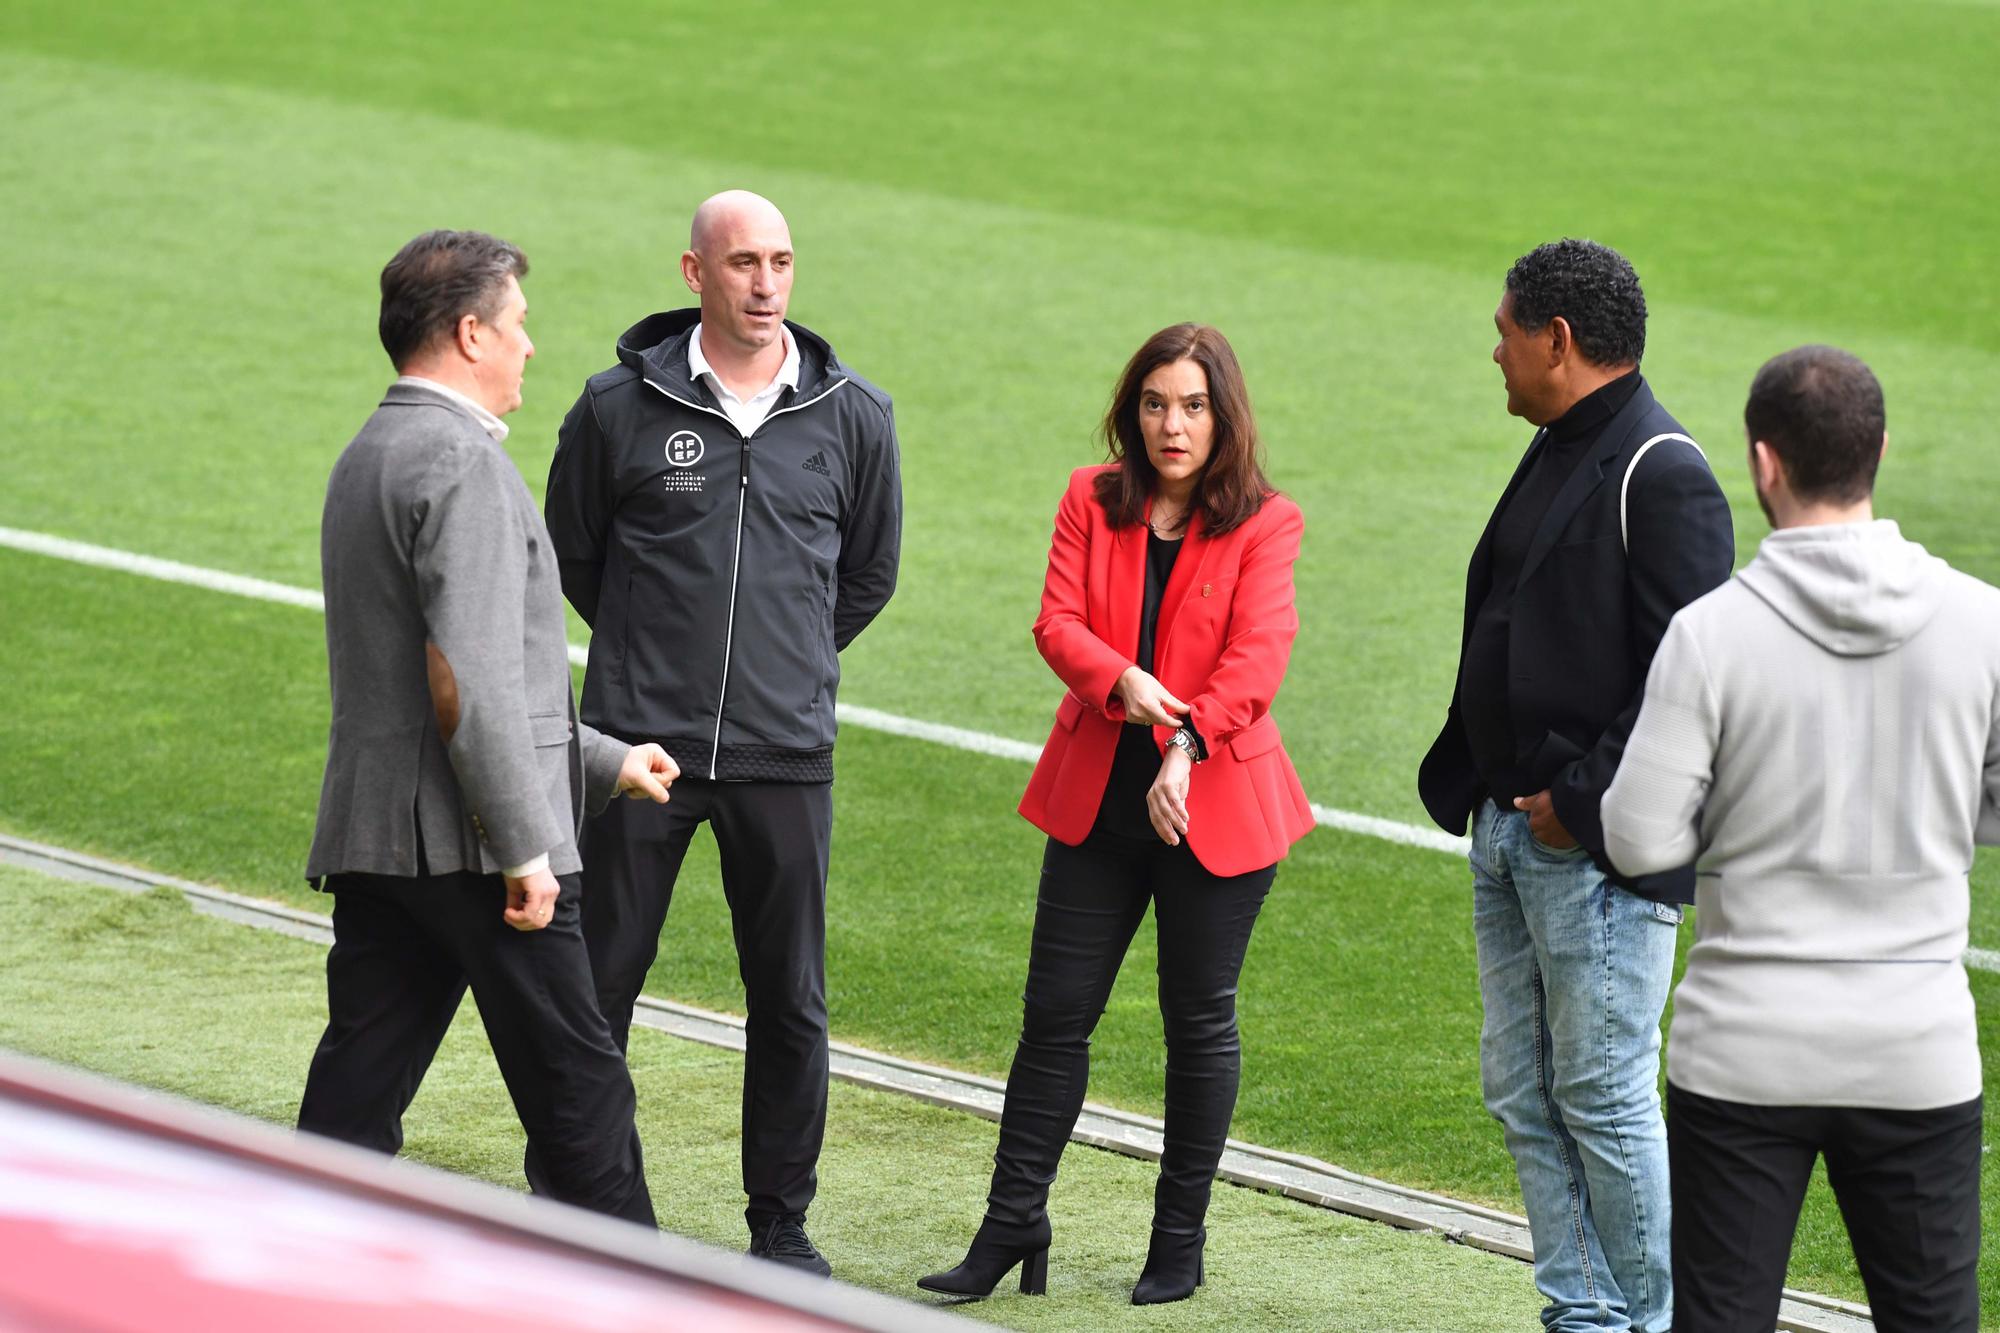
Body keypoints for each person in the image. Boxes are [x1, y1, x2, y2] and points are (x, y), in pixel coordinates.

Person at [917, 323, 1313, 1307]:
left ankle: (1176, 1242)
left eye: (1190, 406)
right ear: (1130, 411)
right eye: (1152, 403)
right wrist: (1121, 680)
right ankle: (1012, 1224)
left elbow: (1256, 661)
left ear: (1222, 416)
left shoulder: (1266, 522)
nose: (1170, 425)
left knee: (1196, 1025)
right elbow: (1056, 623)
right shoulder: (1088, 499)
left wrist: (1182, 743)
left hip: (1213, 802)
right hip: (1097, 799)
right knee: (1051, 1017)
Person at [542, 191, 901, 1274]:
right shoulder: (615, 408)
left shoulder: (854, 416)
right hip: (634, 755)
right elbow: (575, 557)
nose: (765, 283)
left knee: (789, 1001)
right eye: (743, 261)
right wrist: (658, 661)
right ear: (694, 272)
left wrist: (782, 663)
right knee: (597, 984)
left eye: (781, 262)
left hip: (784, 755)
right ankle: (578, 1205)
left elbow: (866, 576)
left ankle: (778, 1226)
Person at [1602, 346, 1995, 1333]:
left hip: (1743, 1048)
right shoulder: (1980, 623)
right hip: (1916, 1045)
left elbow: (1637, 835)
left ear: (1760, 462)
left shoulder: (1709, 635)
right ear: (1878, 452)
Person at [299, 229, 679, 1224]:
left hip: (384, 844)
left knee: (349, 1111)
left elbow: (431, 672)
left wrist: (600, 758)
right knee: (583, 1110)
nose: (529, 347)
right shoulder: (458, 464)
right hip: (476, 854)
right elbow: (461, 675)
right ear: (470, 334)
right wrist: (523, 845)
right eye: (517, 325)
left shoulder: (369, 451)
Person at [1415, 238, 1734, 1332]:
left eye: (1502, 330)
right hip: (1508, 829)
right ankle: (1585, 1315)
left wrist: (1579, 803)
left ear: (1556, 339)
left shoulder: (1663, 468)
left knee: (1599, 1094)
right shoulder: (1561, 441)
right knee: (1525, 1090)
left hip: (1588, 850)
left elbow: (1690, 678)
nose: (1490, 350)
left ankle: (1660, 1319)